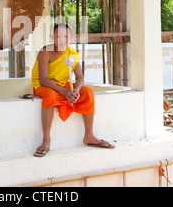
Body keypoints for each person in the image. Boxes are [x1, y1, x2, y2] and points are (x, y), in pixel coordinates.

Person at [31, 23, 115, 157]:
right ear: (52, 37)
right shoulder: (45, 52)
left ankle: (89, 135)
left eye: (66, 36)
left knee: (87, 93)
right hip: (44, 87)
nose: (62, 40)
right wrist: (64, 92)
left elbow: (80, 77)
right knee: (51, 96)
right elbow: (43, 80)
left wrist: (75, 90)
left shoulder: (73, 53)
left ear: (70, 38)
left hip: (63, 85)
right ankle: (46, 140)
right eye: (58, 36)